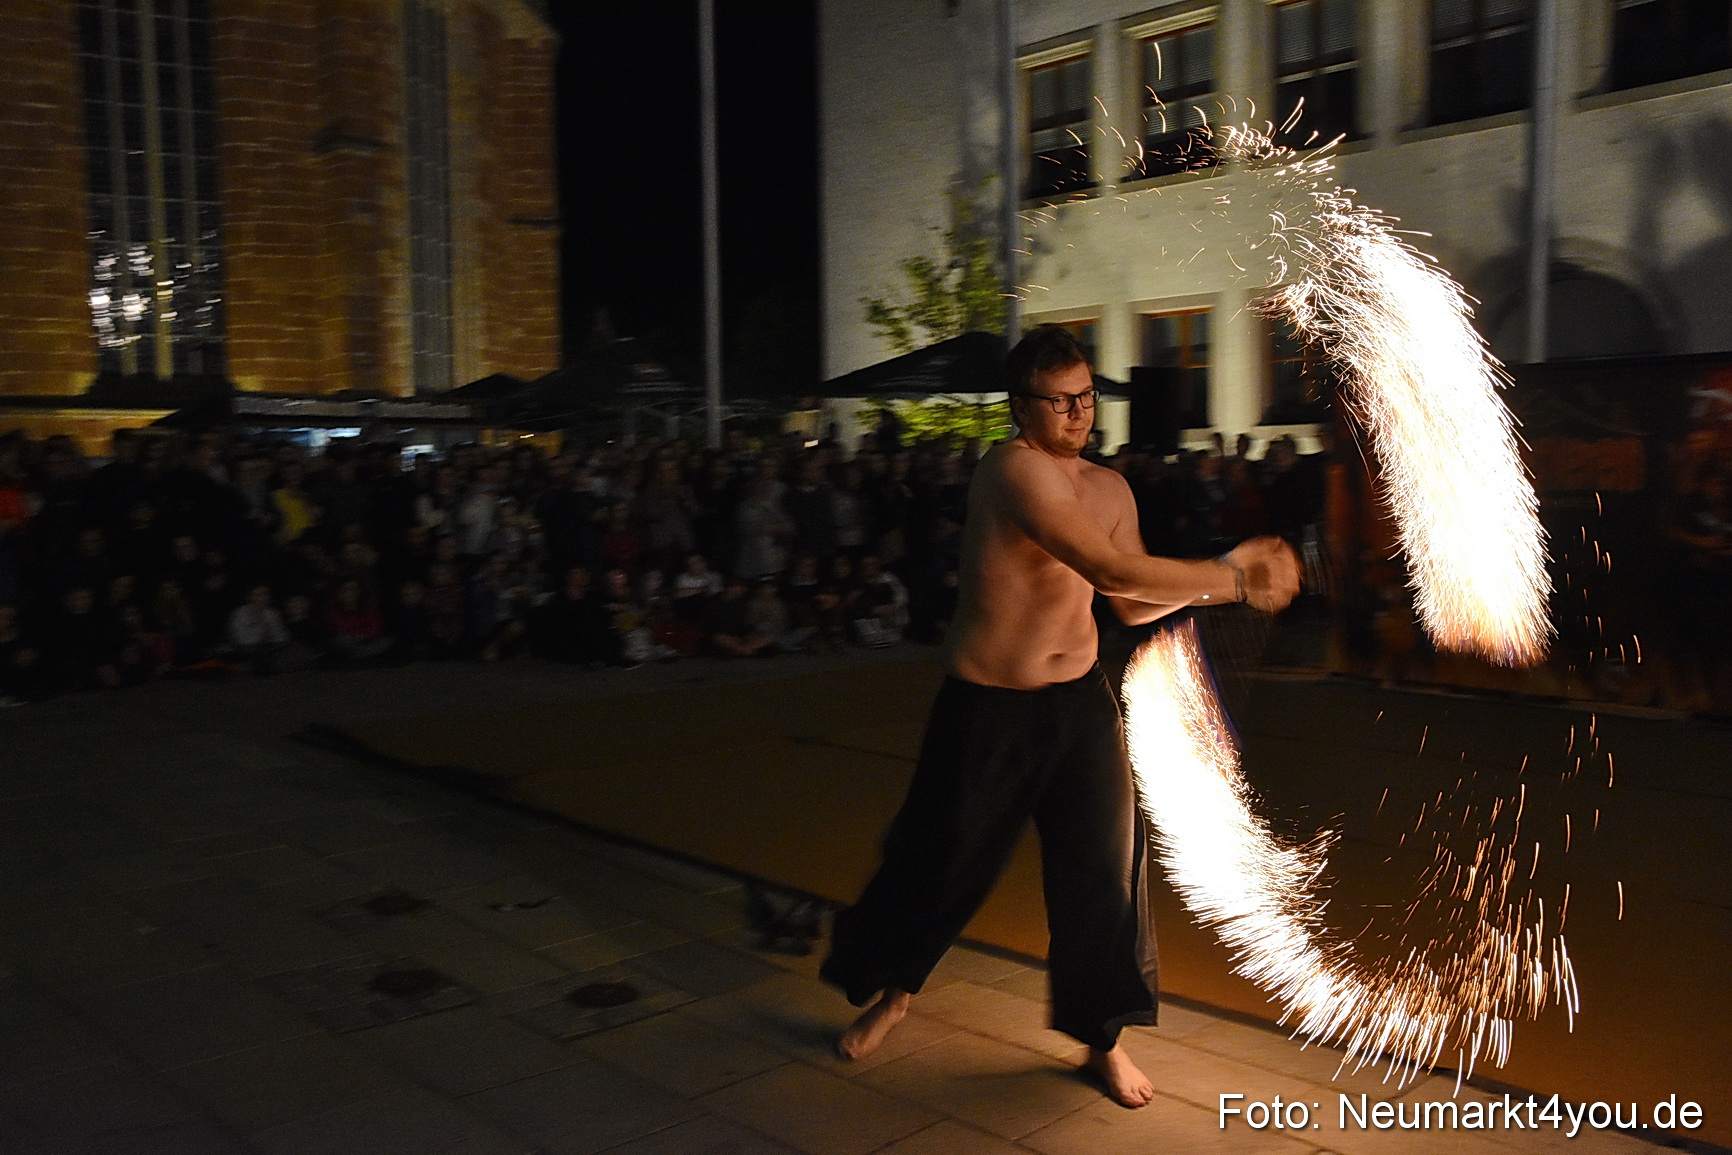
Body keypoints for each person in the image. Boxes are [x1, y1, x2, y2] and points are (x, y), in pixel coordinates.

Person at [819, 326, 1300, 1108]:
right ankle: (895, 992)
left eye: (1086, 396)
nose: (1079, 413)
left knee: (1102, 874)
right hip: (986, 707)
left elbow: (1130, 597)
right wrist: (1229, 577)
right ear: (1021, 405)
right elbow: (1104, 564)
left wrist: (1224, 575)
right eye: (1061, 400)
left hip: (1078, 704)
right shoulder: (1011, 469)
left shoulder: (1110, 488)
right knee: (939, 859)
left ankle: (1100, 1038)